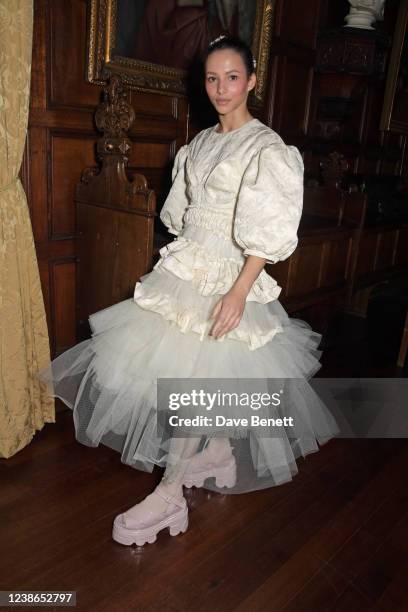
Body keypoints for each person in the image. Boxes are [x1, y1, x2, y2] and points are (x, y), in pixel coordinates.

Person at [39, 35, 339, 547]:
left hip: (230, 274)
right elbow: (180, 215)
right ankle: (217, 450)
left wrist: (239, 291)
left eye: (232, 78)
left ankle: (172, 491)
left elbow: (267, 232)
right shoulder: (199, 143)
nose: (221, 89)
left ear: (252, 81)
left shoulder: (268, 149)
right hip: (187, 268)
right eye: (212, 78)